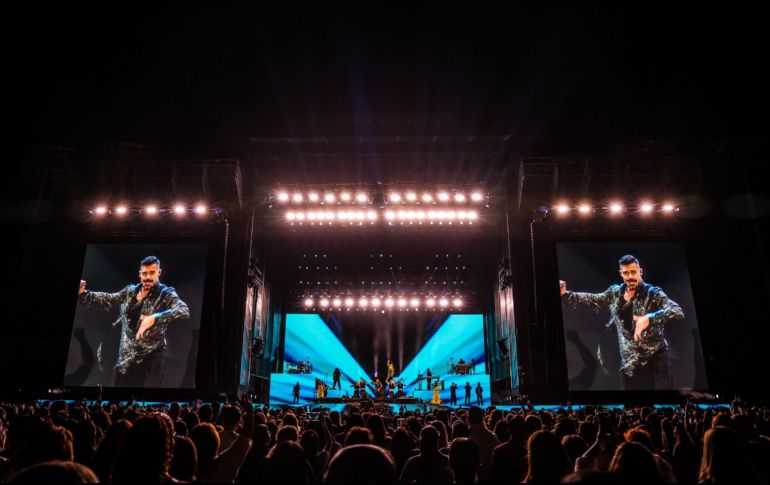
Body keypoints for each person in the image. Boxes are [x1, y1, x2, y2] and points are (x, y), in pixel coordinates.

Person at [560, 254, 684, 390]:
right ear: (621, 274)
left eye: (633, 272)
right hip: (630, 363)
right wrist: (566, 294)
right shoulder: (615, 293)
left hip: (655, 358)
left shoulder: (653, 293)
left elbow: (676, 310)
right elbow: (593, 299)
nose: (630, 276)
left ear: (640, 272)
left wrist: (650, 318)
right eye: (626, 273)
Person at [77, 255, 190, 388]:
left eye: (152, 273)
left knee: (145, 396)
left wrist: (155, 317)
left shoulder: (165, 293)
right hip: (126, 359)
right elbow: (109, 299)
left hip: (151, 358)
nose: (148, 277)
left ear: (159, 272)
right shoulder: (129, 292)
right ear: (140, 274)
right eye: (145, 273)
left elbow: (183, 310)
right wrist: (83, 294)